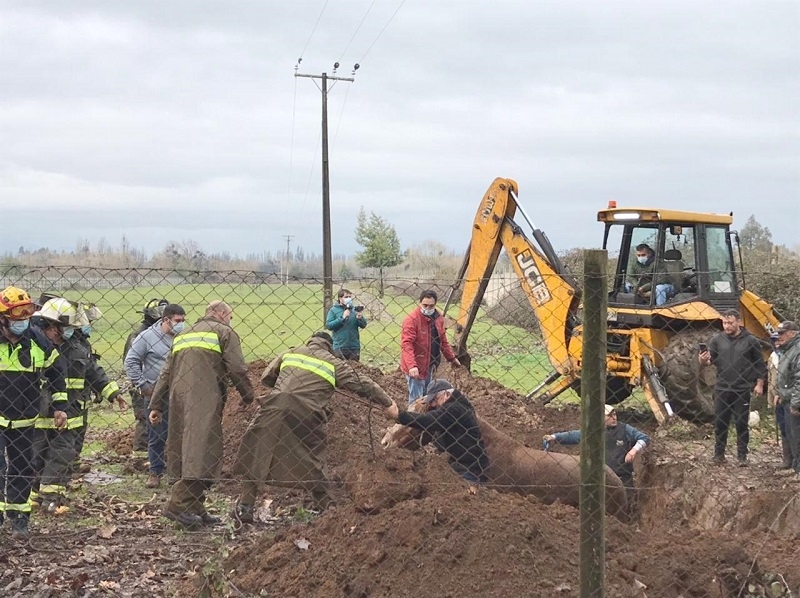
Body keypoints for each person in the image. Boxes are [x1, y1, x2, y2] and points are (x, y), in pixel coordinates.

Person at [233, 332, 398, 522]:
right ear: (330, 346)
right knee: (312, 457)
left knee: (257, 451)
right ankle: (326, 506)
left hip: (275, 406)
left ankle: (246, 505)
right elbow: (363, 384)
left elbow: (267, 377)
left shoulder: (291, 352)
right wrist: (388, 403)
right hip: (307, 413)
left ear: (310, 341)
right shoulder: (333, 363)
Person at [149, 300, 254, 530]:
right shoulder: (225, 332)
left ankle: (195, 506)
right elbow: (237, 368)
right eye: (230, 316)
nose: (230, 320)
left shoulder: (183, 335)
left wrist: (156, 404)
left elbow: (166, 372)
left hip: (178, 400)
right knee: (204, 451)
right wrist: (249, 396)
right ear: (221, 314)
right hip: (204, 397)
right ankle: (177, 505)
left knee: (185, 450)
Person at [31, 298, 126, 513]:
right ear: (49, 325)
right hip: (38, 413)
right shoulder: (32, 347)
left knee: (62, 453)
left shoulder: (77, 349)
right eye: (65, 328)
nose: (68, 332)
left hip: (70, 413)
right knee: (35, 454)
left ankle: (52, 497)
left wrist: (113, 393)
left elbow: (94, 373)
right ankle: (34, 494)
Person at [0, 286, 67, 539]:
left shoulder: (37, 340)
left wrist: (60, 406)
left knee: (21, 468)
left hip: (25, 416)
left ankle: (19, 520)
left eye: (27, 315)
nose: (22, 321)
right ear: (3, 318)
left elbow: (56, 371)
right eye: (17, 317)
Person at [124, 304, 186, 488]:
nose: (181, 324)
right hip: (156, 394)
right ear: (166, 320)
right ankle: (155, 472)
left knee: (180, 434)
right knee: (157, 435)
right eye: (178, 321)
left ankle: (178, 474)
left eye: (183, 321)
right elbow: (131, 361)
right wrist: (143, 385)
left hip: (180, 393)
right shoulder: (146, 337)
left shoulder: (183, 337)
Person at [395, 379, 488, 494]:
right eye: (431, 401)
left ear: (447, 394)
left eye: (435, 400)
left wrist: (399, 415)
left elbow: (430, 420)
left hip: (468, 469)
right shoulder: (454, 406)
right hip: (458, 464)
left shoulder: (455, 409)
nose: (433, 404)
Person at [543, 404, 649, 505]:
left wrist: (634, 450)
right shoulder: (593, 431)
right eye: (609, 416)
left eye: (615, 414)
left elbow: (643, 438)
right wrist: (554, 437)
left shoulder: (624, 429)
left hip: (622, 477)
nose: (614, 418)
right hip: (601, 478)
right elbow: (573, 436)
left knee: (626, 503)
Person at [699, 309, 767, 466]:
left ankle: (742, 456)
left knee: (741, 423)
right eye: (724, 322)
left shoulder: (751, 341)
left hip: (742, 388)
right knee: (720, 422)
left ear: (738, 322)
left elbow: (759, 364)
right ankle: (719, 455)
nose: (727, 326)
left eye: (730, 323)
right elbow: (710, 361)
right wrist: (703, 360)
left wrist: (759, 384)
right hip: (722, 388)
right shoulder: (717, 339)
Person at [400, 290, 461, 405]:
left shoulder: (438, 319)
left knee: (428, 396)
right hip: (416, 365)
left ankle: (426, 420)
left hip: (430, 364)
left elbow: (443, 341)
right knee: (416, 400)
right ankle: (413, 421)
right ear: (419, 303)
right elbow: (406, 345)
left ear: (435, 304)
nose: (428, 308)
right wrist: (412, 366)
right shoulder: (411, 320)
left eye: (431, 306)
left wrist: (451, 358)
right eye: (425, 305)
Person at [125, 298, 169, 452]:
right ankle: (140, 456)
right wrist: (142, 385)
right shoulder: (140, 335)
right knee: (144, 418)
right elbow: (132, 362)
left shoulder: (161, 334)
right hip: (143, 386)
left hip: (158, 385)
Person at [774, 321, 800, 478]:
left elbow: (799, 379)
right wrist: (780, 393)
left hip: (794, 401)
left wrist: (796, 403)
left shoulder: (797, 350)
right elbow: (785, 376)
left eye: (782, 333)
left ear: (793, 333)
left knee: (797, 436)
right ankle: (793, 465)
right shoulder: (787, 349)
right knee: (790, 433)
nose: (779, 336)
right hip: (787, 398)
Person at [768, 331, 792, 472]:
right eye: (774, 340)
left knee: (792, 428)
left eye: (779, 340)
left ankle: (795, 460)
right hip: (777, 397)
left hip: (790, 397)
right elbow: (771, 378)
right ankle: (787, 459)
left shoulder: (792, 356)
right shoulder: (773, 356)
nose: (777, 343)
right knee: (783, 426)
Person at [325, 289, 367, 361]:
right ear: (340, 298)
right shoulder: (333, 310)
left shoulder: (354, 310)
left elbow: (363, 325)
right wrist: (342, 318)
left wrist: (360, 318)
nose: (349, 299)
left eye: (350, 297)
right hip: (339, 347)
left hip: (354, 347)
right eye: (346, 297)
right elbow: (329, 325)